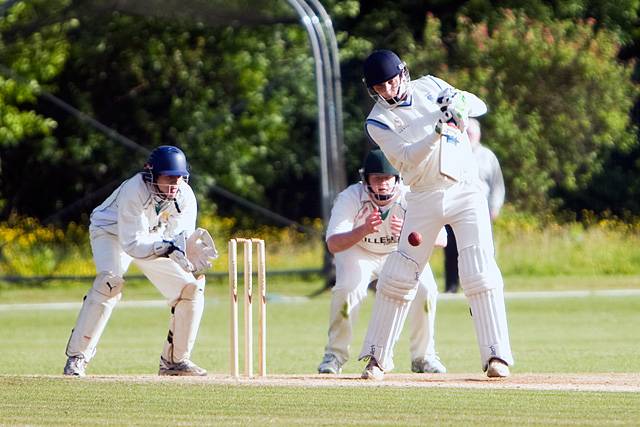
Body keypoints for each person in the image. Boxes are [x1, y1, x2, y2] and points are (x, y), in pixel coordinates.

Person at [358, 49, 513, 380]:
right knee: (399, 275)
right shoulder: (378, 121)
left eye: (391, 81)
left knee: (479, 269)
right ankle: (377, 357)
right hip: (424, 195)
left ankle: (496, 355)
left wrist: (458, 105)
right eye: (379, 87)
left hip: (466, 189)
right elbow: (408, 157)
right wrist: (438, 130)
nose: (387, 90)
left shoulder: (430, 85)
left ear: (403, 73)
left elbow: (478, 106)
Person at [63, 145, 219, 377]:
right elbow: (132, 244)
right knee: (110, 283)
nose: (174, 184)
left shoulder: (184, 195)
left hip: (153, 238)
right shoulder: (134, 189)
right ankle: (78, 358)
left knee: (191, 289)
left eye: (178, 177)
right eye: (168, 177)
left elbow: (180, 236)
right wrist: (168, 247)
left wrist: (183, 251)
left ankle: (174, 362)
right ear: (152, 174)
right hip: (111, 233)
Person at [317, 148, 447, 375]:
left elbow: (442, 238)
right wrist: (363, 230)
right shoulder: (351, 197)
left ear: (397, 178)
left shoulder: (410, 196)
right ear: (365, 179)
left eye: (388, 178)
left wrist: (408, 232)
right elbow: (334, 244)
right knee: (348, 289)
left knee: (427, 289)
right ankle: (334, 355)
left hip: (399, 252)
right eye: (377, 178)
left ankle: (423, 357)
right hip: (359, 252)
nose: (383, 184)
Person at [444, 118, 505, 293]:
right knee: (452, 249)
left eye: (471, 133)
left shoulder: (488, 156)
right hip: (454, 206)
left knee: (482, 248)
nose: (469, 136)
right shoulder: (451, 152)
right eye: (466, 132)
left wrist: (494, 207)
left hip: (480, 208)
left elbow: (497, 185)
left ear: (478, 135)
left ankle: (485, 284)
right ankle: (452, 285)